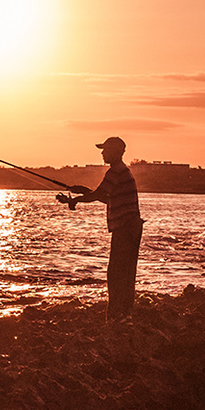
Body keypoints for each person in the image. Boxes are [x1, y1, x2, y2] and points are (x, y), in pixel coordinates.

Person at [69, 136, 143, 321]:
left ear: (117, 152)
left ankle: (116, 314)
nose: (102, 153)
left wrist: (77, 200)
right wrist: (85, 192)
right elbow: (108, 198)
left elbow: (99, 195)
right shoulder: (122, 171)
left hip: (125, 229)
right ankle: (125, 312)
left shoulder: (115, 171)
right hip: (131, 227)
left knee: (116, 272)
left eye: (106, 149)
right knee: (126, 272)